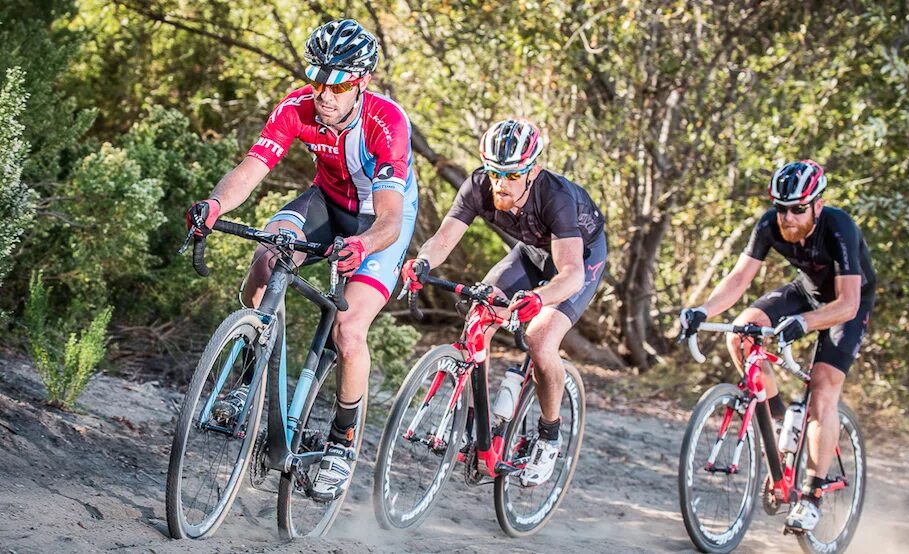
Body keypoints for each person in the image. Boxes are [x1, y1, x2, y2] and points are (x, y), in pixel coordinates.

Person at [186, 18, 418, 500]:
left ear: (362, 82)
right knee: (267, 256)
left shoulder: (387, 122)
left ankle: (341, 442)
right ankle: (245, 382)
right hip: (327, 204)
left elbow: (392, 220)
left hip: (378, 223)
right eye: (316, 80)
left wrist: (363, 245)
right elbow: (251, 168)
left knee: (348, 330)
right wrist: (215, 205)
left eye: (337, 84)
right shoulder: (297, 107)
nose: (324, 95)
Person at [401, 118, 606, 487]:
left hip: (580, 260)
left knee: (541, 339)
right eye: (495, 172)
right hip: (530, 254)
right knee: (480, 312)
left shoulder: (556, 196)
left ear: (533, 170)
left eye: (512, 176)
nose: (501, 183)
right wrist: (422, 262)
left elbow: (571, 273)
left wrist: (539, 299)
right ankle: (476, 429)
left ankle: (549, 437)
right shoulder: (479, 185)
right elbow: (444, 238)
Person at [679, 160, 875, 532]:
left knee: (822, 390)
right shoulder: (770, 224)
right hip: (807, 290)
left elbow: (848, 303)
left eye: (798, 208)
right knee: (741, 333)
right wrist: (702, 311)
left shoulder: (839, 227)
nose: (787, 217)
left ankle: (813, 495)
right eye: (781, 207)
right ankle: (780, 419)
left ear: (818, 204)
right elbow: (739, 279)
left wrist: (803, 323)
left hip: (848, 304)